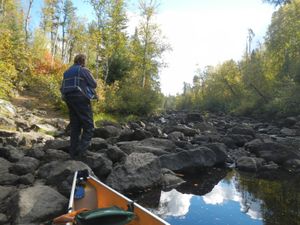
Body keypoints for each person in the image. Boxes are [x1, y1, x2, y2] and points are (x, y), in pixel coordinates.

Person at [61, 54, 97, 158]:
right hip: (81, 98)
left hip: (69, 99)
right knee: (89, 126)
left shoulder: (67, 72)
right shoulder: (83, 70)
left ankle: (73, 153)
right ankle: (81, 152)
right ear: (83, 61)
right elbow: (94, 84)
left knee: (75, 126)